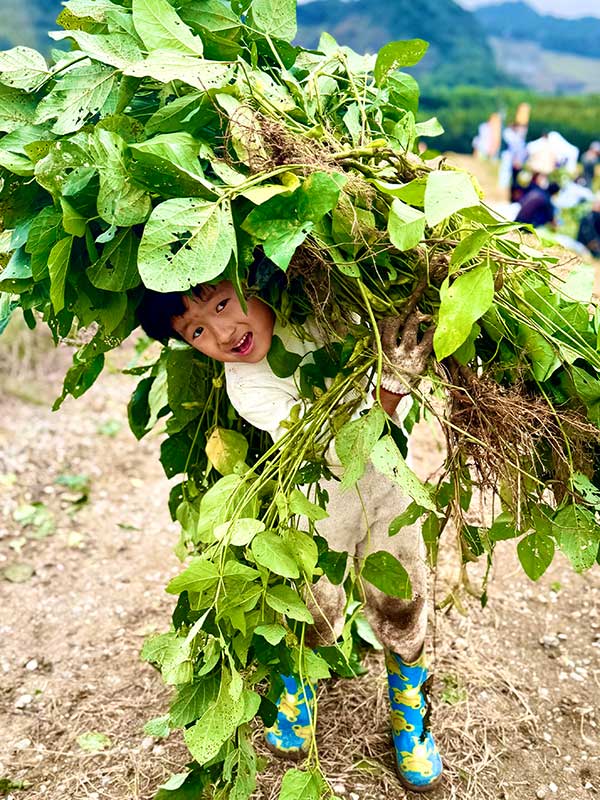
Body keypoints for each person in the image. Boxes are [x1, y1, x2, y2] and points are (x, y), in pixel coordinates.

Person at [137, 274, 443, 792]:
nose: (223, 332)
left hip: (391, 488)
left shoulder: (327, 312)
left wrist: (404, 370)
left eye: (222, 304)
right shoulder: (247, 387)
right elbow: (335, 450)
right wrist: (389, 388)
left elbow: (401, 374)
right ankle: (296, 693)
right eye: (197, 331)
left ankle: (410, 717)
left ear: (249, 281)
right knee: (312, 608)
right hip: (317, 505)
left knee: (401, 601)